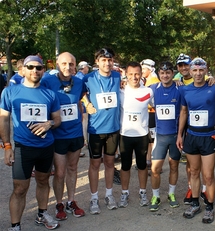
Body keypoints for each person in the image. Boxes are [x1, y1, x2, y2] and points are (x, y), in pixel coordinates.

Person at [0, 55, 61, 231]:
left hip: (45, 147)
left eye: (39, 68)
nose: (35, 71)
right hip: (23, 148)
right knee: (20, 189)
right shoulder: (11, 92)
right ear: (23, 70)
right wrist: (7, 147)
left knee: (43, 181)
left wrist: (48, 123)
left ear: (43, 70)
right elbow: (3, 120)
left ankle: (42, 213)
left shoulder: (50, 94)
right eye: (31, 67)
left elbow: (57, 119)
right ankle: (15, 228)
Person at [176, 57, 215, 224]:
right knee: (194, 172)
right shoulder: (185, 90)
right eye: (194, 70)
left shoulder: (214, 87)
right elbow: (183, 112)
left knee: (208, 176)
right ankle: (195, 203)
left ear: (206, 70)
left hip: (208, 136)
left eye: (201, 70)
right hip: (191, 136)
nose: (197, 73)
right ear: (190, 70)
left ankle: (209, 206)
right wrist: (180, 134)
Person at [41, 52, 86, 221]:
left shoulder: (80, 82)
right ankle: (59, 203)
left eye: (71, 64)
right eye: (64, 64)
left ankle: (71, 201)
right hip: (58, 135)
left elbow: (82, 100)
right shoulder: (48, 81)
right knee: (59, 172)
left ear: (75, 66)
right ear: (58, 65)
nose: (68, 67)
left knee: (73, 169)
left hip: (75, 133)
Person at [81, 48, 121, 214]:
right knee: (95, 164)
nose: (107, 63)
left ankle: (109, 195)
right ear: (97, 62)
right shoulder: (88, 78)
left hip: (113, 128)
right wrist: (86, 102)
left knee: (110, 163)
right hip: (96, 129)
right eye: (103, 60)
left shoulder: (118, 76)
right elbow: (80, 92)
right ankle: (94, 197)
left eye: (110, 59)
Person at [118, 61, 153, 208]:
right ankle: (124, 193)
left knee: (142, 165)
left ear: (141, 74)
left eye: (137, 74)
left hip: (142, 134)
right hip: (125, 134)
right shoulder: (120, 91)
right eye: (131, 74)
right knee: (125, 166)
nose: (134, 77)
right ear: (126, 74)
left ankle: (143, 192)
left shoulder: (148, 92)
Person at [149, 61, 181, 211]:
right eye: (162, 73)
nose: (165, 75)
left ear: (172, 73)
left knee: (174, 166)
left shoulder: (180, 89)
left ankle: (171, 194)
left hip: (175, 136)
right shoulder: (153, 89)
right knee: (155, 169)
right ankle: (155, 195)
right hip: (160, 136)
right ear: (159, 74)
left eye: (168, 73)